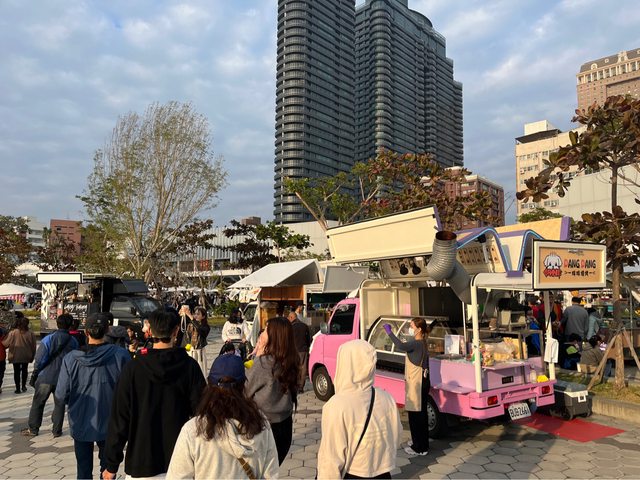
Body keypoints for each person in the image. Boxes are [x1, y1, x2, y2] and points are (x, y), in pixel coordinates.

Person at [103, 309, 206, 479]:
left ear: (149, 331)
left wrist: (112, 464)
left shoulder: (133, 368)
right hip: (181, 460)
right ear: (176, 331)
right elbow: (202, 414)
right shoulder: (190, 366)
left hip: (141, 460)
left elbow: (120, 418)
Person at [167, 354, 279, 479]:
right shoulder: (260, 425)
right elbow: (271, 474)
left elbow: (177, 477)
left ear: (209, 385)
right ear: (243, 385)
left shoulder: (194, 430)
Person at [55, 313, 131, 479]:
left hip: (81, 418)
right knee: (108, 470)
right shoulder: (121, 355)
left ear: (86, 332)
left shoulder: (71, 359)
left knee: (83, 470)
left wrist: (74, 402)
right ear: (108, 330)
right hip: (111, 420)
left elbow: (60, 394)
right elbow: (130, 391)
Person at [318, 340, 402, 479]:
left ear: (345, 364)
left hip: (354, 473)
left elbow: (330, 459)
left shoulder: (337, 406)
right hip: (383, 473)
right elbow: (396, 435)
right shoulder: (387, 398)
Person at [245, 316, 299, 465]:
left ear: (274, 337)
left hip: (264, 428)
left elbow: (245, 392)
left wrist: (258, 357)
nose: (261, 333)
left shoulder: (264, 364)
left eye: (266, 330)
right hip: (285, 426)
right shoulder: (289, 361)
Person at [23, 313, 78, 437]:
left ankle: (33, 429)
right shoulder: (73, 341)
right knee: (60, 404)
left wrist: (36, 371)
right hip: (63, 378)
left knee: (38, 403)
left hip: (46, 376)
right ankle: (57, 430)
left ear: (57, 324)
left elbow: (40, 358)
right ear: (70, 325)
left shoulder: (49, 339)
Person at [383, 318, 430, 456]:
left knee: (415, 416)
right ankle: (421, 443)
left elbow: (400, 346)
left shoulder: (416, 344)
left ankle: (419, 448)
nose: (410, 328)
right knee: (421, 415)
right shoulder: (423, 343)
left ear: (419, 329)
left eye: (411, 326)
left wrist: (389, 332)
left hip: (417, 384)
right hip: (423, 382)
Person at [2, 313, 36, 394]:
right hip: (26, 355)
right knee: (25, 370)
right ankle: (23, 386)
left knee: (16, 371)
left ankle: (17, 388)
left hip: (15, 355)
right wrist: (32, 356)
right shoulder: (31, 333)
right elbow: (33, 346)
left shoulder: (13, 333)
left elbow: (5, 344)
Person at [180, 305, 211, 375]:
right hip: (190, 349)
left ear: (203, 316)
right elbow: (186, 337)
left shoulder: (206, 327)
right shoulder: (190, 324)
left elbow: (199, 329)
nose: (195, 315)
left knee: (200, 368)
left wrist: (191, 317)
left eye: (198, 314)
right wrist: (183, 313)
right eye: (195, 314)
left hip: (199, 350)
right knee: (190, 369)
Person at [287, 310, 311, 393]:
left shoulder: (291, 327)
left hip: (294, 351)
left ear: (291, 317)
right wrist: (307, 347)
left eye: (288, 317)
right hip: (303, 350)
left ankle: (295, 385)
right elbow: (308, 339)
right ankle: (301, 387)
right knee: (303, 368)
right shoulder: (304, 326)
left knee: (295, 368)